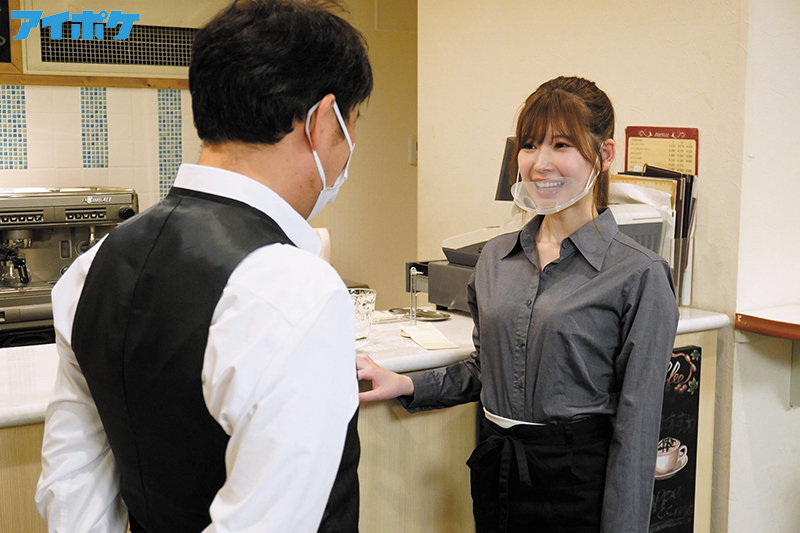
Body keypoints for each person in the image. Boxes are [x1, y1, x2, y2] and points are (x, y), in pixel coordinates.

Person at [34, 1, 372, 532]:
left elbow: (73, 481)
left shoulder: (93, 265)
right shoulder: (294, 287)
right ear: (323, 120)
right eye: (352, 125)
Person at [357, 76, 679, 532]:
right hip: (498, 471)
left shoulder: (639, 273)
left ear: (604, 154)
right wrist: (405, 383)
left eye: (561, 145)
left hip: (578, 486)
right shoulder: (495, 258)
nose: (540, 164)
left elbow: (638, 427)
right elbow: (486, 370)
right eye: (529, 145)